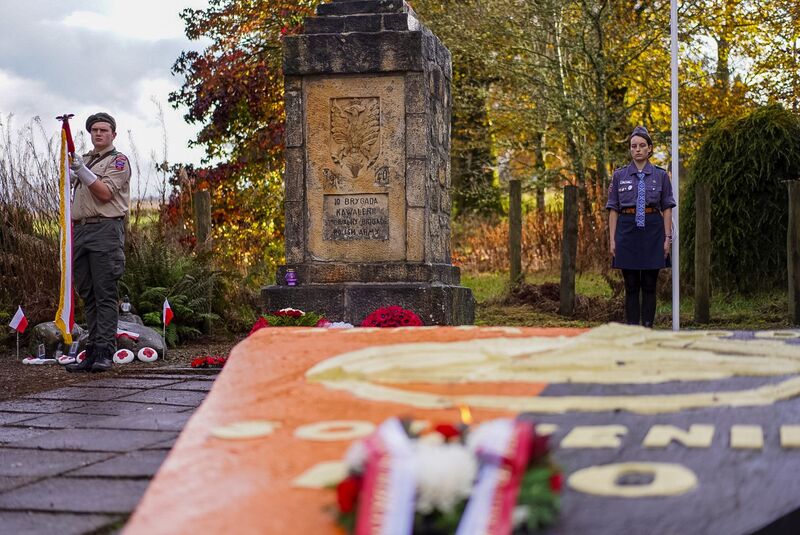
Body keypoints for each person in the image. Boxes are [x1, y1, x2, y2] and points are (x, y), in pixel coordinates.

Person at [65, 113, 131, 372]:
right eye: (94, 130)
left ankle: (105, 350)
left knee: (104, 292)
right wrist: (70, 176)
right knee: (87, 292)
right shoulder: (85, 159)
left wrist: (82, 171)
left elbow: (104, 194)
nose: (98, 134)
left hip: (105, 229)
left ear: (113, 134)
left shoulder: (118, 161)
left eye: (104, 130)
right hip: (80, 231)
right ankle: (92, 349)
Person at [606, 126, 675, 327]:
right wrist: (612, 239)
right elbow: (613, 209)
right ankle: (633, 329)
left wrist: (667, 237)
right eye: (633, 146)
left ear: (649, 149)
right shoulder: (619, 176)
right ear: (630, 149)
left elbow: (667, 207)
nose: (637, 149)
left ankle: (647, 327)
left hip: (653, 229)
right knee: (631, 284)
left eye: (642, 145)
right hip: (626, 230)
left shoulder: (661, 176)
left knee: (649, 284)